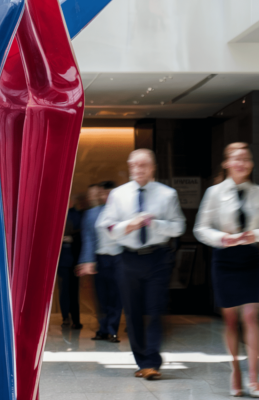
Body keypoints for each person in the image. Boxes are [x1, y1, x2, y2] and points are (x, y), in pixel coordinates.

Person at [194, 145, 259, 398]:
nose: (241, 162)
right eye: (236, 159)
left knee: (250, 316)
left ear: (250, 164)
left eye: (246, 158)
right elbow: (201, 228)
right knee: (230, 320)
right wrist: (221, 238)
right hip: (224, 258)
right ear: (226, 163)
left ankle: (254, 379)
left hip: (250, 257)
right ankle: (235, 371)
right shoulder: (214, 192)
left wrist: (255, 234)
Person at [103, 149, 185, 379]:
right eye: (135, 165)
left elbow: (179, 226)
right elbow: (107, 227)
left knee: (156, 309)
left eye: (144, 165)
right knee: (133, 313)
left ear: (153, 167)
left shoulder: (167, 194)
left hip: (157, 257)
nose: (139, 169)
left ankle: (152, 362)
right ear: (130, 167)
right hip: (128, 258)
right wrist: (128, 226)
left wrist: (154, 223)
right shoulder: (118, 195)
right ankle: (142, 361)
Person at [76, 181, 122, 342]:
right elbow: (88, 238)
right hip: (100, 259)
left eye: (109, 193)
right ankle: (103, 329)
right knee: (101, 296)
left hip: (118, 258)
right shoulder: (92, 213)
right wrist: (87, 260)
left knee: (116, 296)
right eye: (104, 193)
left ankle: (112, 330)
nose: (106, 196)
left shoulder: (123, 213)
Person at [57, 194, 83, 330]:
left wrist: (72, 239)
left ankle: (76, 319)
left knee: (74, 291)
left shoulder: (78, 215)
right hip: (61, 260)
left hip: (75, 259)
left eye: (70, 198)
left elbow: (81, 235)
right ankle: (65, 317)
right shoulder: (57, 214)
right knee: (64, 291)